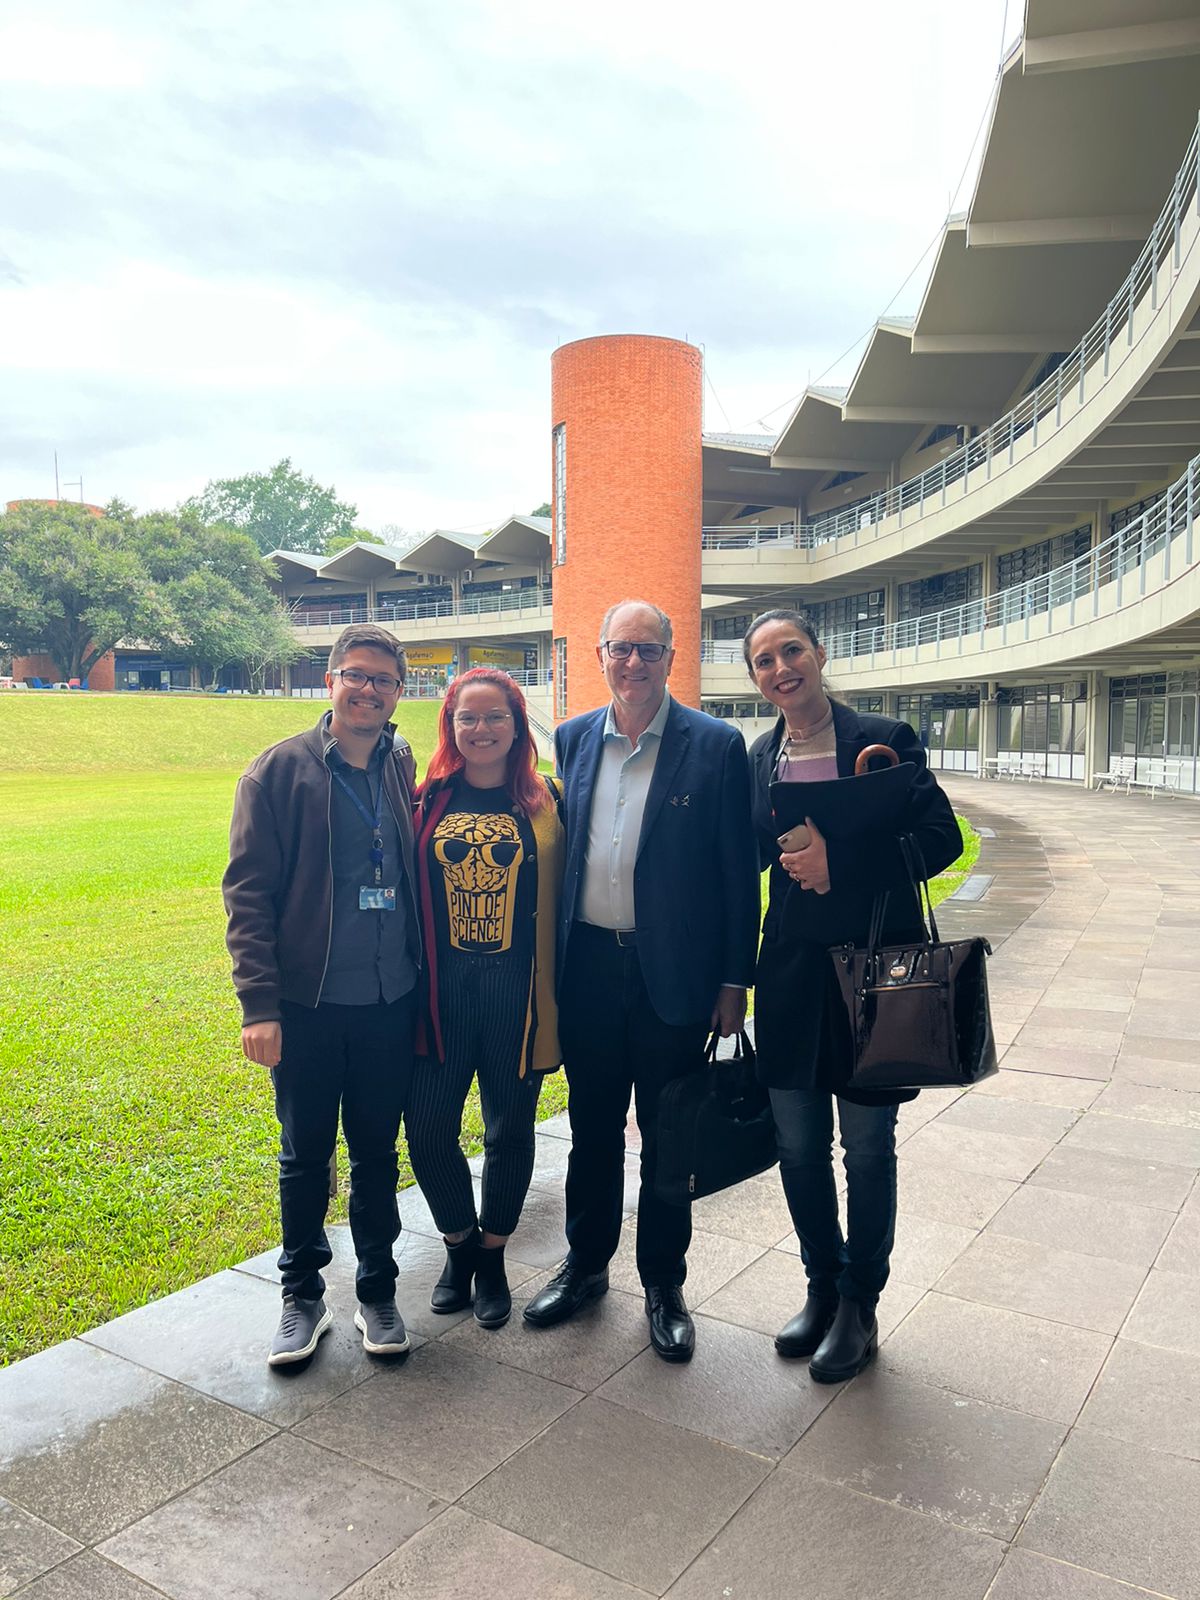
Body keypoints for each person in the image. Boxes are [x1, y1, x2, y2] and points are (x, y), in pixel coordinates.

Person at [522, 599, 760, 1362]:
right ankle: (586, 1267)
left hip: (675, 977)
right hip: (588, 966)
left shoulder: (717, 745)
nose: (633, 663)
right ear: (599, 654)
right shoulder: (571, 738)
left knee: (668, 1137)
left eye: (647, 651)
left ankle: (664, 1282)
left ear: (669, 656)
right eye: (619, 649)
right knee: (590, 1131)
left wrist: (733, 981)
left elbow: (734, 875)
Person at [743, 608, 961, 1382]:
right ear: (757, 679)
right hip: (793, 977)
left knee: (866, 1148)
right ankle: (822, 1287)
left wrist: (846, 864)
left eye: (790, 650)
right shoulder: (760, 757)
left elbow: (943, 840)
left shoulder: (884, 740)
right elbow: (744, 867)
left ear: (819, 653)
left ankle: (861, 1305)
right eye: (763, 660)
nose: (780, 668)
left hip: (875, 969)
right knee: (798, 1147)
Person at [223, 623, 420, 1367]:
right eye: (355, 675)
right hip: (306, 1007)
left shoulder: (401, 764)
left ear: (399, 692)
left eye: (383, 680)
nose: (368, 689)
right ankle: (301, 1295)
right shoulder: (277, 772)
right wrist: (259, 1006)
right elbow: (247, 897)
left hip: (389, 1000)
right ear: (330, 679)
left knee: (376, 1153)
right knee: (305, 1157)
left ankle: (376, 1288)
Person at [406, 668, 565, 1329]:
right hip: (438, 992)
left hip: (516, 990)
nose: (481, 729)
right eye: (467, 718)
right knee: (429, 1127)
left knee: (508, 1129)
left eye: (495, 716)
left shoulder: (545, 802)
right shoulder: (424, 799)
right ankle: (458, 1244)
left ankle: (494, 1255)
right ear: (449, 725)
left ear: (517, 723)